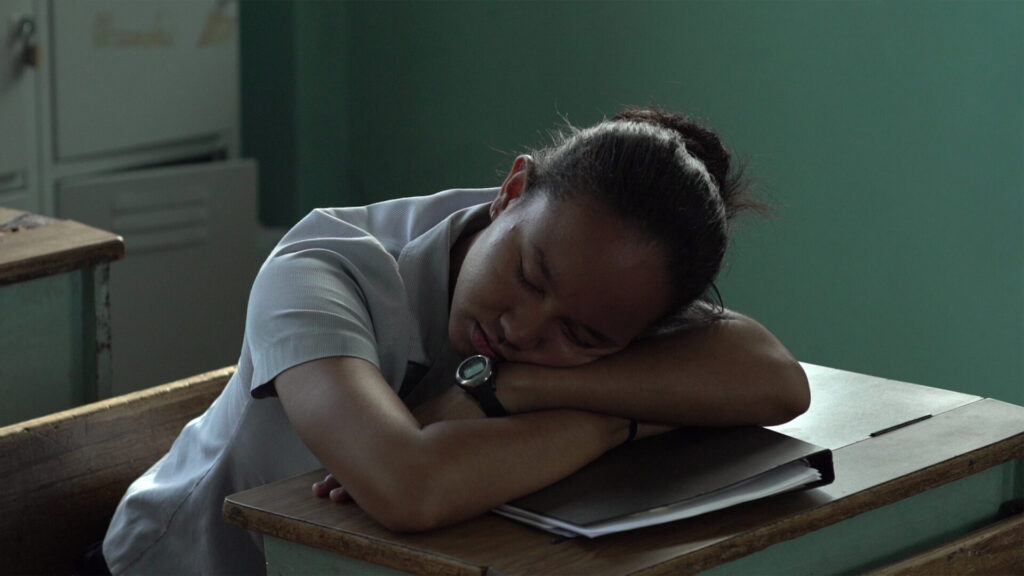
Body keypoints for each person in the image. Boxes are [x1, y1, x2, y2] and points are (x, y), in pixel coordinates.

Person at [94, 107, 809, 575]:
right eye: (529, 275)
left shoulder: (606, 285)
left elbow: (776, 377)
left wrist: (522, 389)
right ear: (512, 190)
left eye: (582, 335)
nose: (524, 329)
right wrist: (621, 417)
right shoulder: (325, 264)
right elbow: (409, 485)